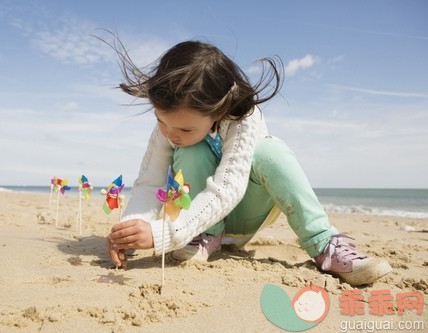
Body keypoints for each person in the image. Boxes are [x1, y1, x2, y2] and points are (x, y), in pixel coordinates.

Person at [104, 36, 392, 286]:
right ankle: (203, 237)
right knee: (191, 149)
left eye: (185, 128)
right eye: (161, 121)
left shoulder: (244, 118)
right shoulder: (169, 128)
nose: (171, 134)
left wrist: (164, 233)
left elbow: (229, 188)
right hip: (193, 222)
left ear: (218, 110)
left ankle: (324, 244)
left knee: (270, 151)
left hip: (243, 211)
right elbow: (150, 182)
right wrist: (130, 230)